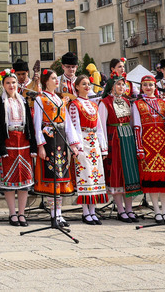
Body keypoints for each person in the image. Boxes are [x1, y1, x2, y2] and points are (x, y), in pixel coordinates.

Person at [33, 69, 82, 228]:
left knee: (60, 178)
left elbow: (67, 123)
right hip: (48, 139)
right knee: (51, 178)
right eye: (53, 78)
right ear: (46, 81)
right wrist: (40, 145)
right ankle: (54, 214)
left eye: (56, 78)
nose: (56, 81)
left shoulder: (60, 100)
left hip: (60, 138)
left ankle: (59, 214)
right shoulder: (40, 99)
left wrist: (73, 144)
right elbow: (37, 123)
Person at [0, 68, 36, 226]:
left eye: (14, 82)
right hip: (9, 141)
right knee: (9, 181)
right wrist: (1, 147)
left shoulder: (23, 101)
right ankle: (12, 213)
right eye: (8, 83)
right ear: (3, 85)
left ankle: (21, 213)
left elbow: (29, 124)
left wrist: (33, 146)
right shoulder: (0, 102)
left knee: (24, 180)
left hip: (23, 141)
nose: (11, 85)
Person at [97, 76, 142, 222]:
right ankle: (120, 210)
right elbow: (101, 125)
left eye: (123, 85)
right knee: (116, 173)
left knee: (129, 174)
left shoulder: (127, 101)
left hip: (127, 138)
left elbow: (132, 121)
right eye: (119, 84)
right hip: (114, 139)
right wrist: (103, 147)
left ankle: (129, 209)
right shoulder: (105, 103)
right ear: (111, 86)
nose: (122, 87)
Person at [132, 74, 165, 224]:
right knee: (152, 181)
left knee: (164, 181)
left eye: (150, 85)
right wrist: (139, 148)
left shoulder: (163, 103)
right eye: (145, 85)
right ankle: (157, 211)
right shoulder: (137, 104)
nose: (148, 87)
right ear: (141, 87)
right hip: (148, 145)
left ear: (155, 86)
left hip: (163, 145)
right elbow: (137, 127)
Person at [67, 74, 107, 225]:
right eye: (83, 84)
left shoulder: (94, 105)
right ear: (77, 87)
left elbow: (99, 127)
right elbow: (74, 126)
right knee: (85, 175)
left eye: (88, 84)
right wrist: (77, 146)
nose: (87, 86)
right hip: (83, 141)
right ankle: (85, 212)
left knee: (96, 175)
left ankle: (93, 211)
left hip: (94, 142)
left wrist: (103, 147)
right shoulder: (74, 105)